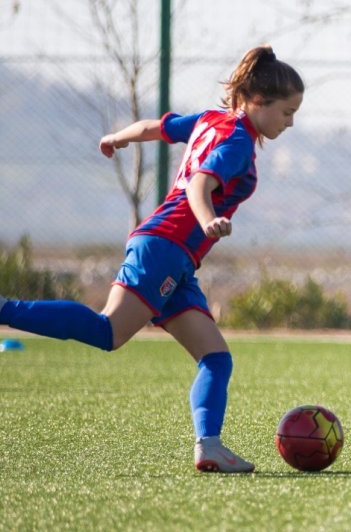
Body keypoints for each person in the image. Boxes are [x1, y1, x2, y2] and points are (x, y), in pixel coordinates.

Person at [0, 44, 304, 472]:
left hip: (175, 259)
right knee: (109, 331)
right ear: (256, 102)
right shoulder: (236, 141)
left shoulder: (210, 120)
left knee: (216, 358)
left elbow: (154, 128)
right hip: (166, 245)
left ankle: (210, 445)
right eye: (287, 112)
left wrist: (117, 137)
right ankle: (5, 310)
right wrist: (210, 221)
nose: (291, 122)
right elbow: (200, 186)